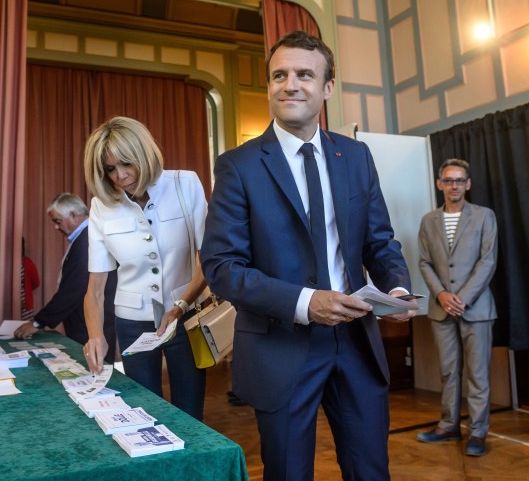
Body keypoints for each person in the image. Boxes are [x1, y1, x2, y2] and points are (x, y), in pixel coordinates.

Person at [200, 30, 415, 481]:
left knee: (371, 470)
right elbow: (222, 268)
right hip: (281, 345)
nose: (290, 84)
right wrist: (305, 302)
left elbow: (380, 241)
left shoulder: (355, 156)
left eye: (303, 74)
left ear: (327, 88)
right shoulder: (238, 165)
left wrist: (396, 288)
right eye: (279, 75)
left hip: (357, 340)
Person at [82, 116, 209, 420]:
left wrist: (179, 307)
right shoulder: (101, 206)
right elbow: (95, 290)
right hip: (132, 323)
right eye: (110, 169)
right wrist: (95, 335)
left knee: (189, 413)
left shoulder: (185, 183)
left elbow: (207, 261)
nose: (121, 176)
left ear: (144, 154)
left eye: (127, 163)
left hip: (186, 317)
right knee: (142, 413)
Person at [416, 158, 498, 457]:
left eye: (460, 180)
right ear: (440, 184)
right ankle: (448, 426)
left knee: (477, 373)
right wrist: (440, 295)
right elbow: (424, 262)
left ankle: (478, 432)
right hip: (441, 310)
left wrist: (461, 298)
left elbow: (487, 261)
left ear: (468, 184)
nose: (454, 185)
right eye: (449, 180)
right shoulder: (428, 221)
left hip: (475, 309)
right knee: (449, 372)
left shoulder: (485, 216)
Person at [14, 194, 117, 363]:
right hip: (86, 323)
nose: (55, 227)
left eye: (57, 221)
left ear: (73, 216)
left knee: (93, 374)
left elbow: (72, 290)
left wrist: (37, 323)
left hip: (89, 326)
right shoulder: (84, 237)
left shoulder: (88, 239)